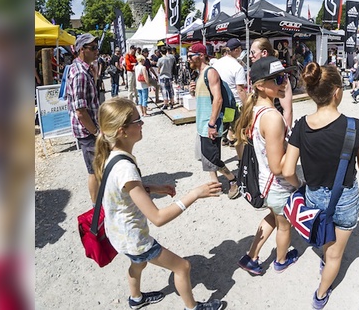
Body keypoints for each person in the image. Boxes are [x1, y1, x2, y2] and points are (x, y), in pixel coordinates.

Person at [93, 97, 223, 310]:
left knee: (138, 262)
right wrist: (195, 194)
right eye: (137, 121)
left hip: (118, 234)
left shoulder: (114, 156)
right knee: (182, 267)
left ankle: (136, 299)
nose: (142, 124)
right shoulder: (125, 167)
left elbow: (125, 189)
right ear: (122, 131)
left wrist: (153, 187)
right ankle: (193, 308)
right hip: (133, 238)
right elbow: (158, 218)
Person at [281, 62, 359, 309]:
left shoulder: (300, 126)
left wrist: (300, 185)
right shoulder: (356, 127)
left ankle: (324, 255)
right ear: (336, 92)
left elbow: (287, 170)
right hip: (344, 197)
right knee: (335, 254)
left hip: (313, 195)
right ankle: (321, 295)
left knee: (323, 233)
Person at [234, 56, 300, 276]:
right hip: (278, 185)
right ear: (260, 85)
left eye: (286, 77)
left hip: (262, 181)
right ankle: (281, 260)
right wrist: (298, 181)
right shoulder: (272, 117)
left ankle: (250, 256)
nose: (284, 83)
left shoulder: (253, 110)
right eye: (278, 78)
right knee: (284, 224)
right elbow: (278, 167)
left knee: (273, 216)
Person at [191, 44, 240, 199]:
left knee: (212, 158)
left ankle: (233, 179)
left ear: (200, 55)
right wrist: (193, 91)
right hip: (202, 124)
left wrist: (212, 124)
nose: (188, 58)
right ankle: (215, 184)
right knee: (206, 157)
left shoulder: (210, 72)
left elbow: (218, 99)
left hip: (210, 124)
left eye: (191, 55)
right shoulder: (200, 74)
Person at [66, 33, 102, 203]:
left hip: (87, 129)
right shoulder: (80, 73)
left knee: (97, 168)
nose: (97, 51)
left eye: (97, 48)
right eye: (93, 48)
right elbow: (81, 111)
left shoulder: (80, 68)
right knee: (94, 171)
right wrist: (96, 132)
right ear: (82, 50)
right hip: (88, 131)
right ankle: (97, 208)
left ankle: (100, 202)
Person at [250, 38, 293, 128]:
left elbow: (287, 110)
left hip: (274, 126)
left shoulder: (279, 74)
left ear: (264, 53)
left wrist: (286, 134)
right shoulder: (254, 73)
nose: (250, 56)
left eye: (253, 52)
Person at [214, 38, 248, 151]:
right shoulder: (237, 67)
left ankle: (225, 139)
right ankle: (240, 158)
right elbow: (240, 90)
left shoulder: (216, 64)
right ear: (237, 50)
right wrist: (247, 105)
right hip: (234, 103)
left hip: (220, 101)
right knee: (238, 130)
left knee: (224, 125)